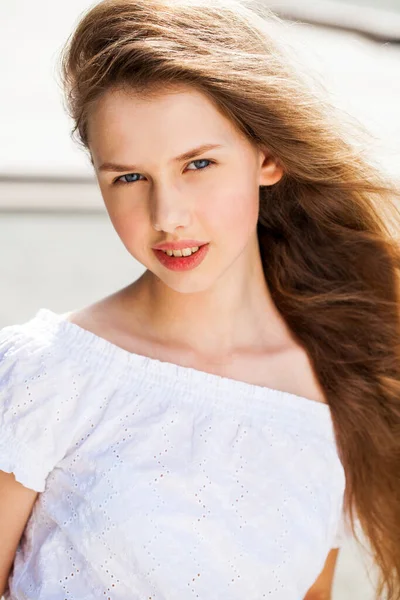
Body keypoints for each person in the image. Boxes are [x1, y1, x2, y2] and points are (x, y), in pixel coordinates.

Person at [1, 0, 399, 598]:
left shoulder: (335, 392)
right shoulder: (45, 373)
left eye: (199, 164)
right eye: (129, 177)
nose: (168, 217)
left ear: (267, 157)